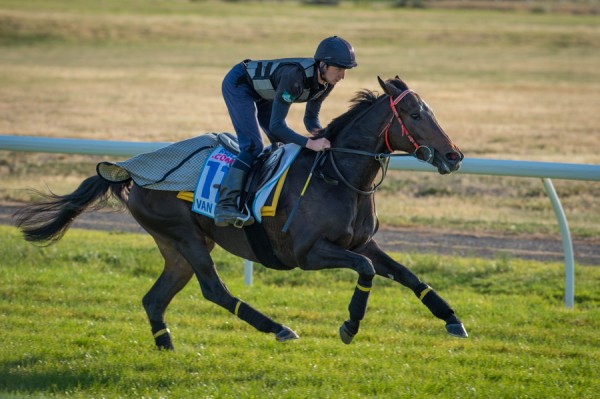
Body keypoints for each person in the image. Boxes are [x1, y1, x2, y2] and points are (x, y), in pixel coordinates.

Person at [214, 35, 358, 227]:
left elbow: (310, 119)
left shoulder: (326, 83)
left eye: (345, 70)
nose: (342, 76)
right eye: (339, 69)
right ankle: (225, 206)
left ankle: (261, 196)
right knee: (252, 146)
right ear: (323, 65)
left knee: (280, 145)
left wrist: (323, 136)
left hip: (266, 92)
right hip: (239, 85)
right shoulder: (294, 77)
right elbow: (277, 126)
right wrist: (310, 143)